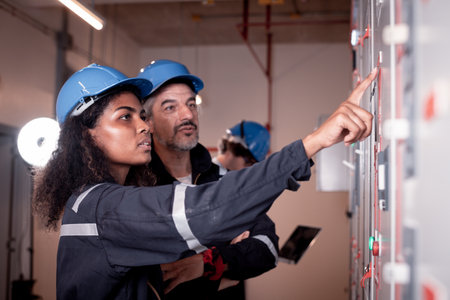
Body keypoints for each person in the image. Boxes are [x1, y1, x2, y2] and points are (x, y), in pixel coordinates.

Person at [32, 63, 376, 300]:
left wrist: (210, 260)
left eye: (139, 115)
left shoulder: (100, 202)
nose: (143, 127)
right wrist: (314, 142)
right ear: (84, 137)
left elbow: (262, 244)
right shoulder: (101, 207)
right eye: (126, 117)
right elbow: (205, 213)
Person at [137, 60, 276, 300]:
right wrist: (228, 267)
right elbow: (147, 278)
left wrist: (208, 262)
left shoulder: (223, 180)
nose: (188, 114)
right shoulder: (137, 190)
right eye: (170, 108)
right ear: (147, 121)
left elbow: (268, 247)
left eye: (191, 104)